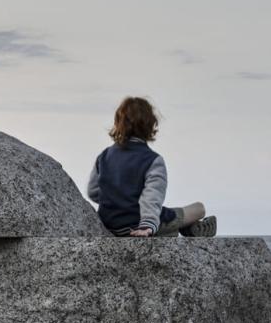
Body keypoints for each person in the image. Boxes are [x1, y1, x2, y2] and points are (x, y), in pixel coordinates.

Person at [87, 97, 216, 237]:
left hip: (111, 225)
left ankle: (181, 229)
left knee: (167, 222)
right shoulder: (153, 160)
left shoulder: (104, 156)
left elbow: (93, 191)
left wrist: (118, 199)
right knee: (199, 209)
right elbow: (151, 197)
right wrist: (147, 225)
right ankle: (190, 228)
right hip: (139, 225)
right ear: (150, 124)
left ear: (118, 123)